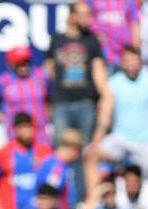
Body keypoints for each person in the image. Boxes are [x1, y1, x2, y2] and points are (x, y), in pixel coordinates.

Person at [91, 46, 148, 185]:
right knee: (91, 154)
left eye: (135, 60)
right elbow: (105, 113)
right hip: (121, 137)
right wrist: (97, 139)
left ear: (141, 62)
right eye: (128, 60)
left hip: (146, 140)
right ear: (122, 63)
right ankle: (93, 195)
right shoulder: (113, 83)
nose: (131, 64)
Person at [47, 3, 105, 144]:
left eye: (88, 14)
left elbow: (98, 70)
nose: (87, 18)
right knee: (62, 146)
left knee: (85, 147)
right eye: (83, 14)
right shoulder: (57, 40)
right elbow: (49, 69)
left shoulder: (92, 40)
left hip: (85, 102)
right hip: (61, 102)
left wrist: (103, 97)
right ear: (72, 16)